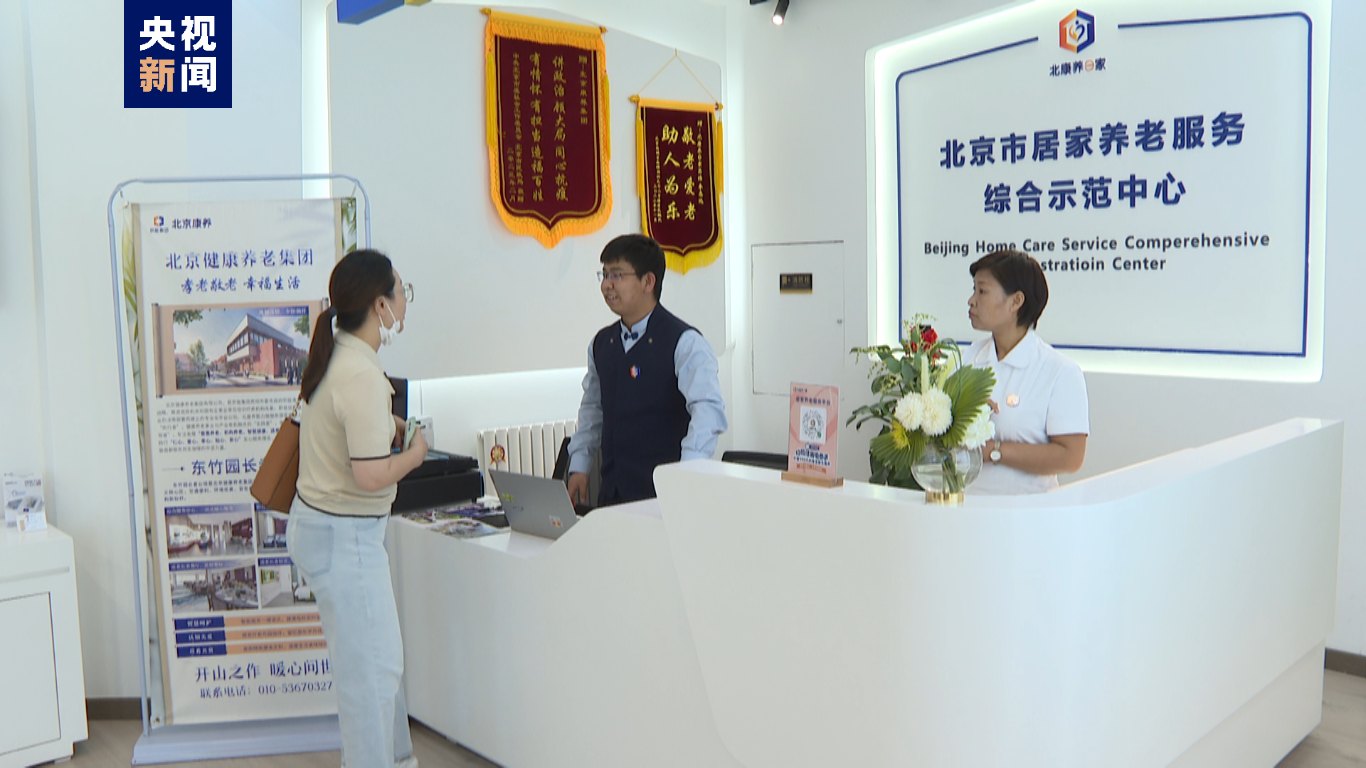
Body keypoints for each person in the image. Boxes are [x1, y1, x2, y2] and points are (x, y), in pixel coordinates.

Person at [286, 249, 425, 768]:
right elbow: (369, 476)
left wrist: (390, 426)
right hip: (346, 537)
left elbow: (342, 424)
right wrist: (415, 453)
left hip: (327, 530)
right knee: (372, 677)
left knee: (374, 668)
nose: (405, 302)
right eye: (401, 292)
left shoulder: (339, 354)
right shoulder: (360, 373)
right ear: (379, 305)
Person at [566, 234, 727, 508]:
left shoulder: (685, 343)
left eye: (617, 275)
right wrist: (579, 465)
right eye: (604, 275)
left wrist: (686, 475)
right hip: (613, 493)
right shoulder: (602, 343)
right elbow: (593, 409)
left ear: (648, 281)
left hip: (663, 496)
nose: (606, 285)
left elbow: (708, 413)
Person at [965, 249, 1089, 494]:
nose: (972, 300)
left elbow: (1071, 457)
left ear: (1016, 301)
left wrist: (994, 451)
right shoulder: (965, 359)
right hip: (965, 505)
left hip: (1029, 509)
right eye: (974, 290)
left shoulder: (1060, 371)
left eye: (982, 291)